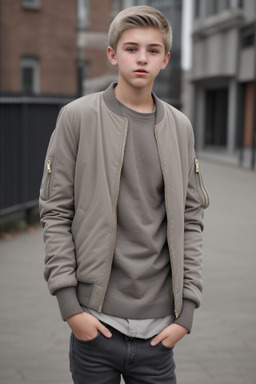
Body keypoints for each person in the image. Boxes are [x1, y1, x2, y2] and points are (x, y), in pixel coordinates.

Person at [39, 5, 209, 384]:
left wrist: (187, 314)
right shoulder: (77, 117)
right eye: (131, 48)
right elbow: (55, 212)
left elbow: (192, 218)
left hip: (160, 333)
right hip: (94, 322)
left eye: (152, 50)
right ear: (113, 54)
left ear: (165, 59)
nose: (141, 58)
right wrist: (71, 308)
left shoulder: (181, 127)